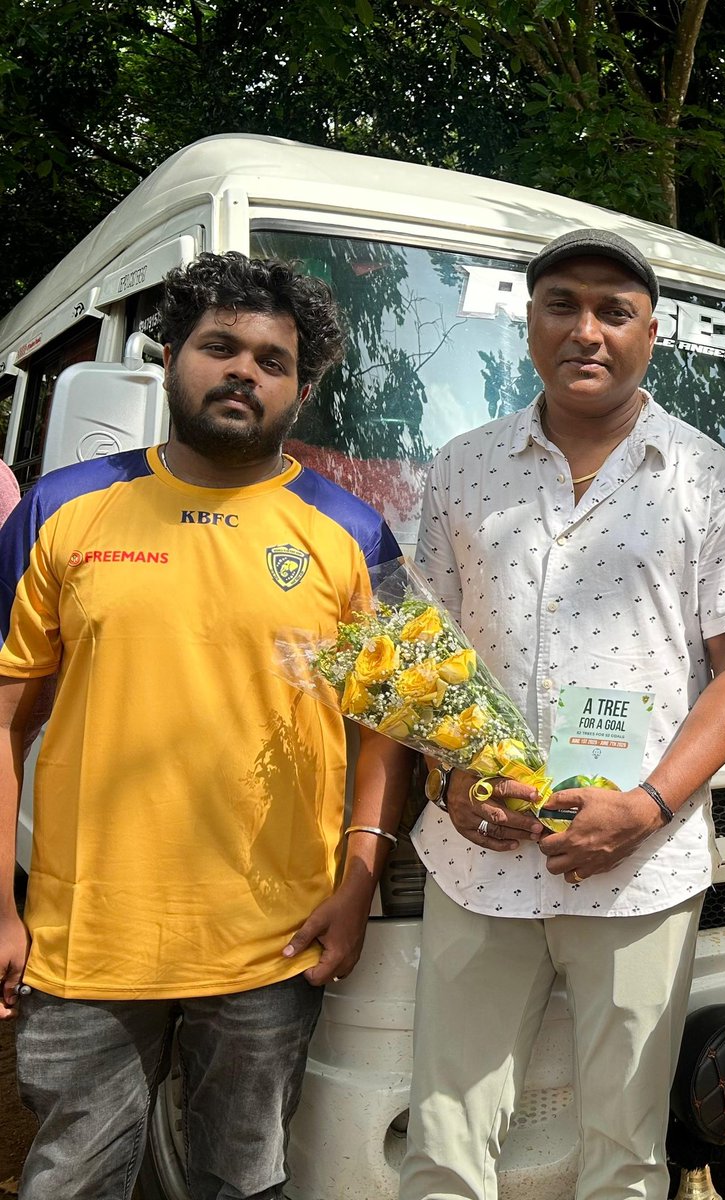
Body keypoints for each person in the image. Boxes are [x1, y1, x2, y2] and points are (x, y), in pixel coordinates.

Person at [0, 252, 408, 1200]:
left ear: (301, 389)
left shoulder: (356, 534)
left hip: (271, 942)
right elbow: (6, 718)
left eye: (273, 360)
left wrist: (359, 877)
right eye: (218, 346)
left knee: (245, 1180)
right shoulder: (65, 509)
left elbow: (390, 724)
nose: (244, 371)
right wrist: (2, 904)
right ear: (170, 359)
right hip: (85, 938)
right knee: (71, 1181)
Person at [398, 228, 725, 1200]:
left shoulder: (709, 479)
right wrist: (450, 781)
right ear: (526, 322)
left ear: (649, 331)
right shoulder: (462, 469)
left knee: (624, 1158)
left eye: (613, 311)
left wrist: (650, 804)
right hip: (477, 860)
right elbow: (421, 654)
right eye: (561, 305)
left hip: (639, 874)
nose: (586, 330)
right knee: (443, 1144)